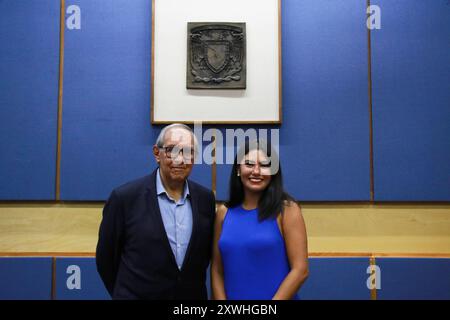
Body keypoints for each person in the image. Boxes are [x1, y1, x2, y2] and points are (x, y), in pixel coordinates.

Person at [96, 123, 215, 299]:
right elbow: (106, 259)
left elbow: (203, 258)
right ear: (156, 153)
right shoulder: (125, 198)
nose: (180, 159)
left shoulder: (205, 199)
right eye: (171, 150)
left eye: (188, 152)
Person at [211, 139, 308, 300]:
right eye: (249, 164)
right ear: (238, 169)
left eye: (264, 165)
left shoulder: (287, 210)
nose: (256, 171)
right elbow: (217, 271)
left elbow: (300, 270)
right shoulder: (223, 213)